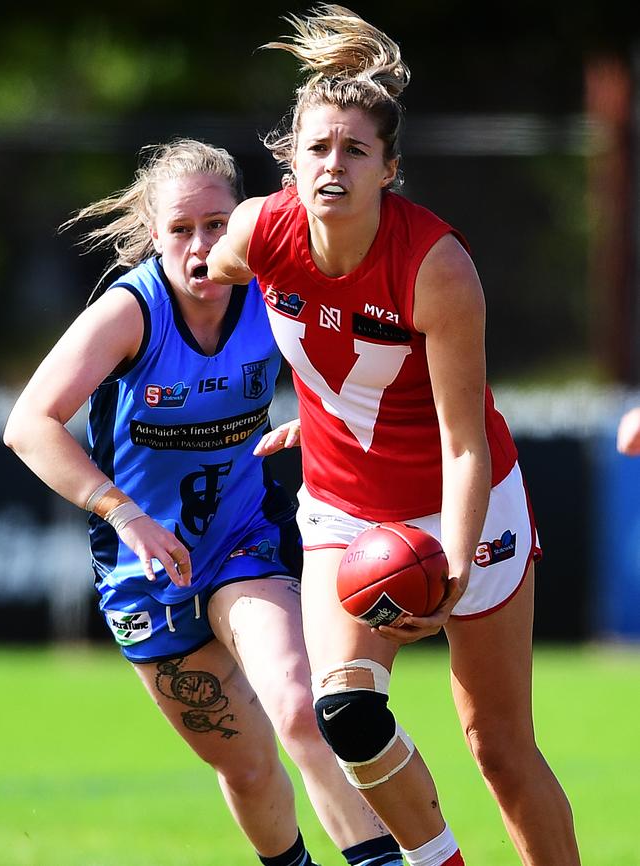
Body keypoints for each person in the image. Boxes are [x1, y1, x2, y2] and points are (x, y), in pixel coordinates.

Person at [206, 7, 583, 866]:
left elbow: (464, 444)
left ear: (390, 170)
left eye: (355, 151)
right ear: (289, 160)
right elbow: (193, 269)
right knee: (345, 711)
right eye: (316, 149)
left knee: (500, 751)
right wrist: (159, 263)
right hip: (344, 510)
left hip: (465, 512)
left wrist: (449, 566)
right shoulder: (261, 232)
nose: (332, 165)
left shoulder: (436, 267)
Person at [3, 138, 405, 866]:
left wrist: (323, 423)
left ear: (244, 222)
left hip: (246, 541)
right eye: (181, 230)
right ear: (154, 237)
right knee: (246, 769)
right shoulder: (132, 313)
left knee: (300, 709)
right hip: (148, 571)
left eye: (217, 225)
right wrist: (123, 514)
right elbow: (28, 424)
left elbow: (353, 366)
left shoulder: (276, 292)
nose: (201, 247)